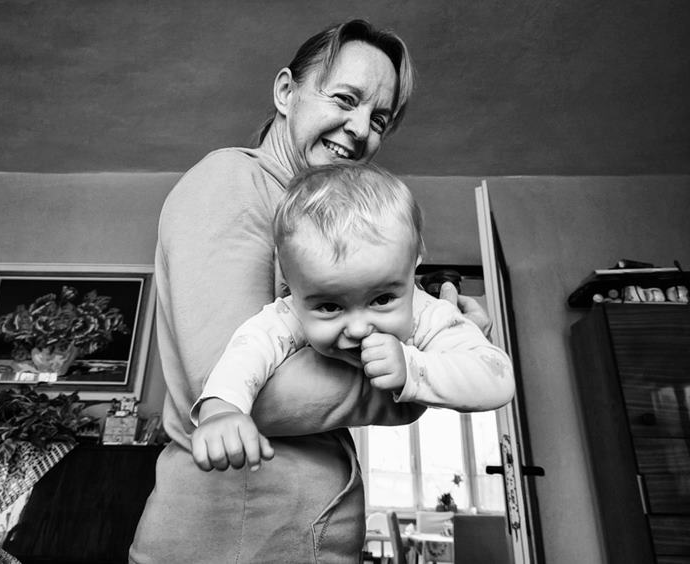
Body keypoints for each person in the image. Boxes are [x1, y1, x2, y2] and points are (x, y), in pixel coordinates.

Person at [130, 19, 505, 563]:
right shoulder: (231, 181)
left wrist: (447, 331)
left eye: (379, 119)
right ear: (286, 92)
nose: (361, 129)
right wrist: (418, 376)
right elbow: (229, 386)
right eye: (345, 99)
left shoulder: (318, 224)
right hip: (235, 540)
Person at [189, 163, 514, 472]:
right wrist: (221, 409)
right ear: (290, 285)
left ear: (414, 264)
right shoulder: (293, 311)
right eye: (330, 307)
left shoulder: (429, 313)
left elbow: (497, 379)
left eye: (382, 299)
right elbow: (250, 348)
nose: (358, 329)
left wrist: (412, 367)